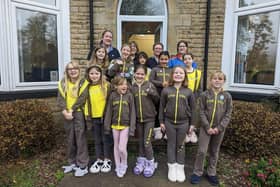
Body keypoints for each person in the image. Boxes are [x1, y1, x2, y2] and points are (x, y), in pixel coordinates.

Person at [190, 71, 233, 186]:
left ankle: (211, 172)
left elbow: (228, 113)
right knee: (202, 151)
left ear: (224, 81)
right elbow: (201, 112)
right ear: (210, 80)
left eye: (220, 79)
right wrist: (207, 126)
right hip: (206, 128)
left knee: (214, 151)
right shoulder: (205, 95)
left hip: (219, 129)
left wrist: (219, 128)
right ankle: (197, 172)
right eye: (215, 78)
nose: (217, 80)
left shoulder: (227, 96)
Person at [159, 66, 195, 183]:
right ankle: (172, 167)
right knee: (171, 144)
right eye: (176, 73)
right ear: (172, 75)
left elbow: (194, 109)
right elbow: (161, 107)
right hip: (169, 122)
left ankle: (180, 167)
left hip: (183, 123)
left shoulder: (188, 92)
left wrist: (192, 124)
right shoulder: (166, 90)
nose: (178, 75)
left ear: (184, 76)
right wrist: (161, 121)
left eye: (181, 73)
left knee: (180, 145)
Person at [57, 62, 89, 177]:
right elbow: (60, 99)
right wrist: (64, 111)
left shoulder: (83, 83)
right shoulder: (63, 83)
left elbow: (82, 98)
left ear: (79, 70)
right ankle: (72, 163)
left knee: (80, 138)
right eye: (70, 69)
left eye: (75, 68)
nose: (72, 70)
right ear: (67, 71)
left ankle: (83, 165)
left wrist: (72, 110)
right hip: (67, 114)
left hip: (78, 114)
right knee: (70, 139)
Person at [104, 77, 136, 178]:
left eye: (125, 84)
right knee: (116, 147)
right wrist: (107, 126)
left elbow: (133, 113)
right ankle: (118, 166)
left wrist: (132, 128)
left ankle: (124, 164)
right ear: (116, 86)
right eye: (121, 84)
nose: (124, 86)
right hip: (114, 125)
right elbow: (109, 111)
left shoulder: (129, 96)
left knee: (122, 148)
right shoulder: (113, 96)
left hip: (125, 126)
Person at [131, 65, 160, 177]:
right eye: (137, 74)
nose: (140, 76)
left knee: (147, 142)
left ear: (145, 75)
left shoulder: (150, 85)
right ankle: (141, 162)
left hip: (149, 119)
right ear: (134, 74)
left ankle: (151, 162)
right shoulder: (132, 87)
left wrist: (152, 93)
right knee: (141, 142)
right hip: (138, 119)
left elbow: (157, 100)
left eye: (142, 74)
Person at [84, 65, 112, 174]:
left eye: (96, 73)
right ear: (88, 75)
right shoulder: (87, 87)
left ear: (100, 74)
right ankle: (99, 159)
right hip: (93, 117)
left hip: (105, 117)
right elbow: (86, 102)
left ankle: (107, 159)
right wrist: (87, 115)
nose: (94, 76)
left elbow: (111, 100)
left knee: (106, 139)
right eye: (92, 73)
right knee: (97, 139)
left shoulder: (106, 85)